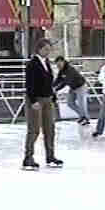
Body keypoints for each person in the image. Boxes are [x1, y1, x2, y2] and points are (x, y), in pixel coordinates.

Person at [22, 38, 63, 170]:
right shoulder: (32, 64)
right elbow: (29, 84)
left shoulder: (47, 63)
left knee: (50, 129)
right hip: (36, 100)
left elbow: (49, 82)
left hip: (48, 99)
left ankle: (50, 156)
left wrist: (53, 96)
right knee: (34, 130)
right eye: (46, 49)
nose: (48, 51)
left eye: (49, 49)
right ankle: (28, 158)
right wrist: (33, 100)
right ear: (39, 49)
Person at [53, 56, 90, 125]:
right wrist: (51, 86)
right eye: (57, 65)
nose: (58, 66)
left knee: (81, 104)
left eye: (59, 64)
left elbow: (65, 82)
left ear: (63, 62)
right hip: (73, 87)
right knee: (70, 103)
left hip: (80, 87)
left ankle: (86, 119)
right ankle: (82, 116)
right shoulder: (61, 70)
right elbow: (58, 80)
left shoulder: (70, 69)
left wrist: (56, 89)